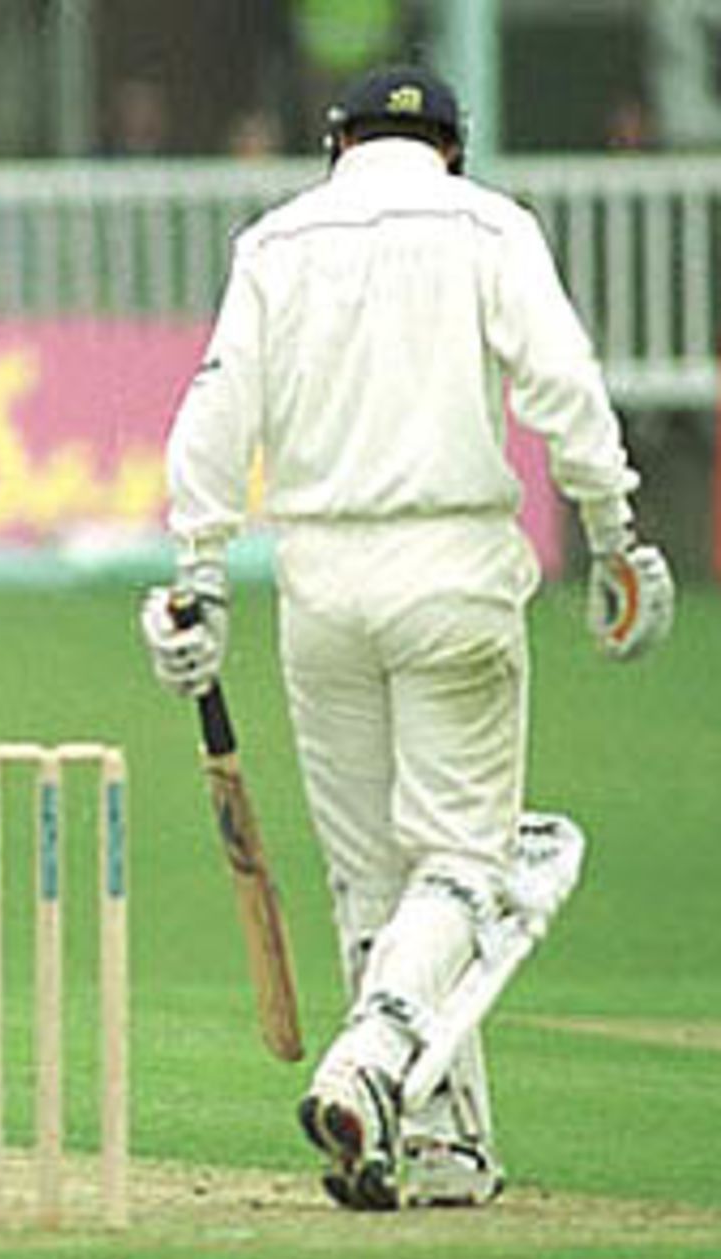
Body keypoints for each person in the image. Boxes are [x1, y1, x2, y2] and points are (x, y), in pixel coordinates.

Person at [141, 63, 673, 1209]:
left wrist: (198, 570)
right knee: (462, 861)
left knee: (371, 873)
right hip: (451, 569)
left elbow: (216, 412)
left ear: (333, 144)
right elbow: (563, 386)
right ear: (451, 147)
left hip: (317, 582)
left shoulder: (276, 241)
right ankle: (371, 1062)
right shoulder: (487, 225)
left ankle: (435, 1141)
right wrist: (613, 532)